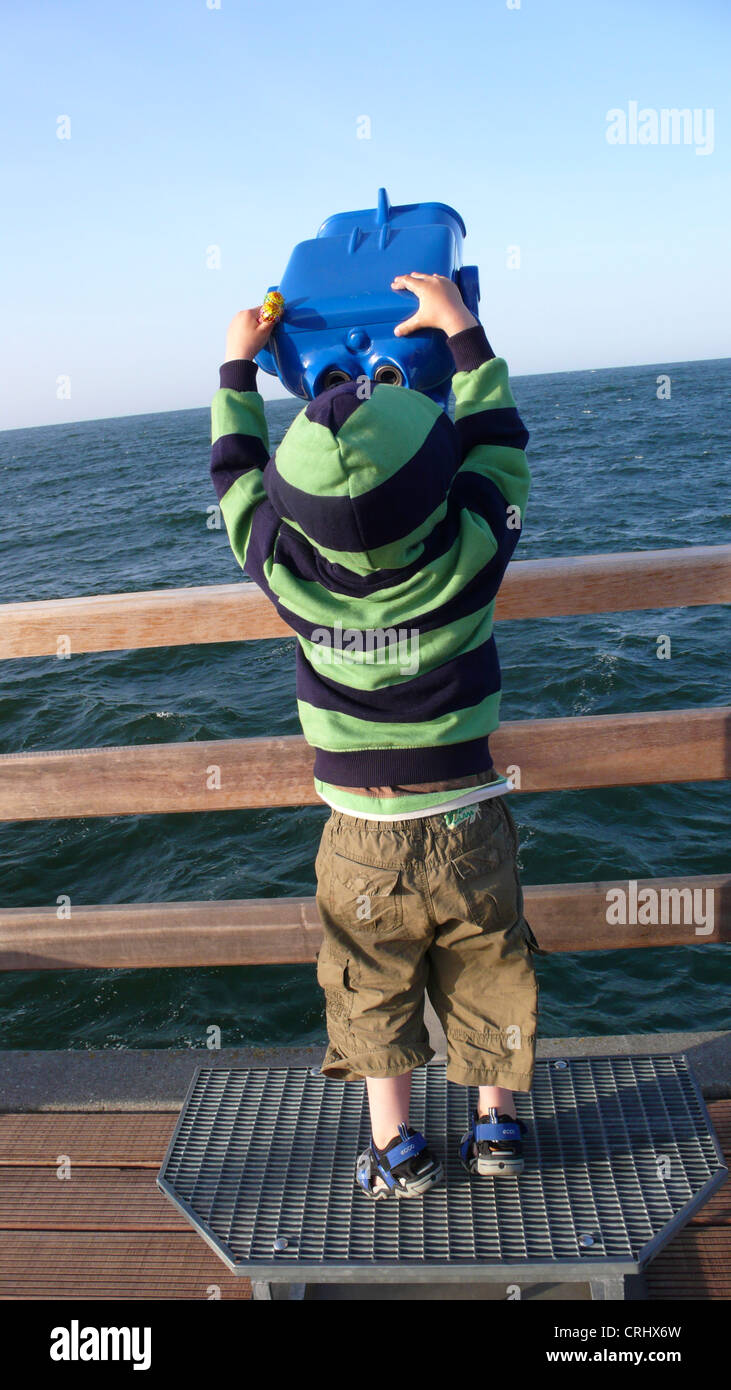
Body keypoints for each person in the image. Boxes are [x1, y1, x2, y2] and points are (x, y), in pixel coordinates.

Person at [210, 272, 540, 1199]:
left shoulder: (282, 567)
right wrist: (464, 333)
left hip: (358, 832)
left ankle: (396, 1149)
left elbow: (234, 478)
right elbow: (498, 446)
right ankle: (497, 1127)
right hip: (469, 816)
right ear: (438, 480)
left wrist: (238, 362)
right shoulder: (474, 548)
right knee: (488, 966)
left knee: (369, 982)